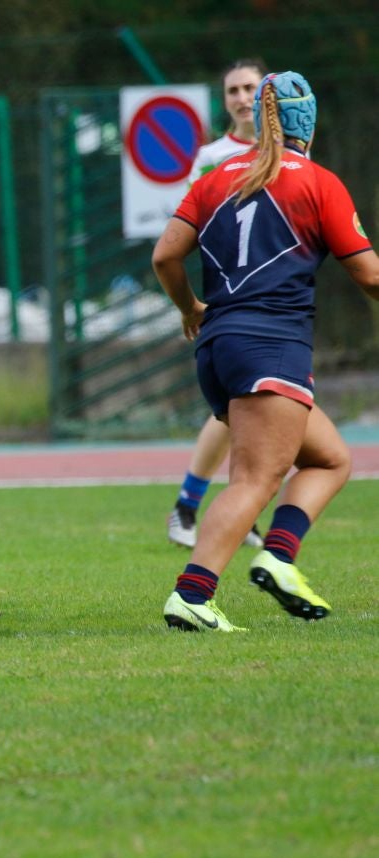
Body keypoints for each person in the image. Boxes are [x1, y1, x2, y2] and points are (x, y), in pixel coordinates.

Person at [153, 71, 379, 632]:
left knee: (330, 459)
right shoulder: (319, 182)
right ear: (310, 122)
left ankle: (278, 557)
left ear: (256, 117)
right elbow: (369, 276)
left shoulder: (214, 179)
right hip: (270, 346)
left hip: (218, 346)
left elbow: (165, 256)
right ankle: (192, 595)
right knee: (254, 481)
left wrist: (189, 308)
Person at [166, 59, 269, 550]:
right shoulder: (210, 157)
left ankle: (230, 506)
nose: (242, 97)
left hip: (277, 298)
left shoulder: (286, 153)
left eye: (251, 87)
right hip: (232, 298)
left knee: (245, 409)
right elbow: (188, 226)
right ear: (224, 99)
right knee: (242, 406)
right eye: (233, 89)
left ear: (267, 92)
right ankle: (192, 506)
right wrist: (194, 300)